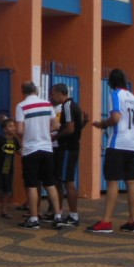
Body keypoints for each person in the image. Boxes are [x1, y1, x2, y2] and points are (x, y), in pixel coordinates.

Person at [86, 69, 134, 234]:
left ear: (111, 82)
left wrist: (102, 123)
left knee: (112, 181)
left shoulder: (116, 95)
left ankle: (106, 220)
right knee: (131, 181)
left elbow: (115, 118)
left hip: (118, 142)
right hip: (132, 143)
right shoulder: (133, 97)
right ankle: (132, 220)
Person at [14, 82, 67, 229]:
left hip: (31, 149)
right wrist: (43, 130)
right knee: (50, 183)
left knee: (32, 185)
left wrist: (30, 133)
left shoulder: (21, 106)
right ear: (36, 91)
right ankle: (58, 216)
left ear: (23, 91)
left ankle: (34, 218)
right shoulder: (47, 104)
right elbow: (56, 125)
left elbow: (19, 130)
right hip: (47, 148)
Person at [50, 83, 85, 225]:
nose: (52, 97)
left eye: (53, 94)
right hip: (72, 147)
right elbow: (79, 124)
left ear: (60, 93)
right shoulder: (75, 105)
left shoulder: (67, 106)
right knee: (65, 180)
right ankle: (63, 212)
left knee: (67, 181)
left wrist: (55, 136)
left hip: (67, 148)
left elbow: (70, 129)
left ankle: (72, 214)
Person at [0, 118, 19, 218]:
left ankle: (4, 209)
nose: (13, 128)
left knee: (7, 190)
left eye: (14, 126)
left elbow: (19, 151)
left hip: (9, 169)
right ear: (4, 129)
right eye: (10, 126)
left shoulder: (15, 140)